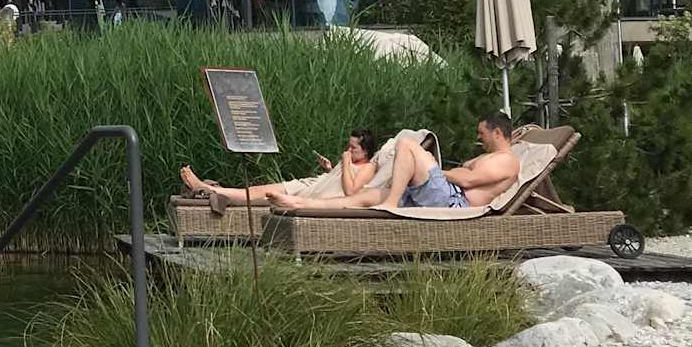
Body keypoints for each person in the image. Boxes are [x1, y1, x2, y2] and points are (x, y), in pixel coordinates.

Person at [181, 131, 386, 213]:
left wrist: (345, 162)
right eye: (348, 146)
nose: (348, 150)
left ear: (366, 151)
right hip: (311, 184)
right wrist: (330, 169)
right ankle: (209, 188)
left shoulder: (368, 167)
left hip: (314, 195)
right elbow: (339, 181)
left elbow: (351, 191)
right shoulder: (352, 161)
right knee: (258, 190)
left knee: (262, 195)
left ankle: (209, 189)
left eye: (353, 148)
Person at [367, 112, 526, 210]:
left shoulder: (507, 160)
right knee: (367, 195)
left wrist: (438, 171)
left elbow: (468, 180)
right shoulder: (490, 157)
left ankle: (391, 203)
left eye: (482, 133)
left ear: (497, 133)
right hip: (444, 193)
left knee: (406, 144)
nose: (478, 137)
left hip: (453, 201)